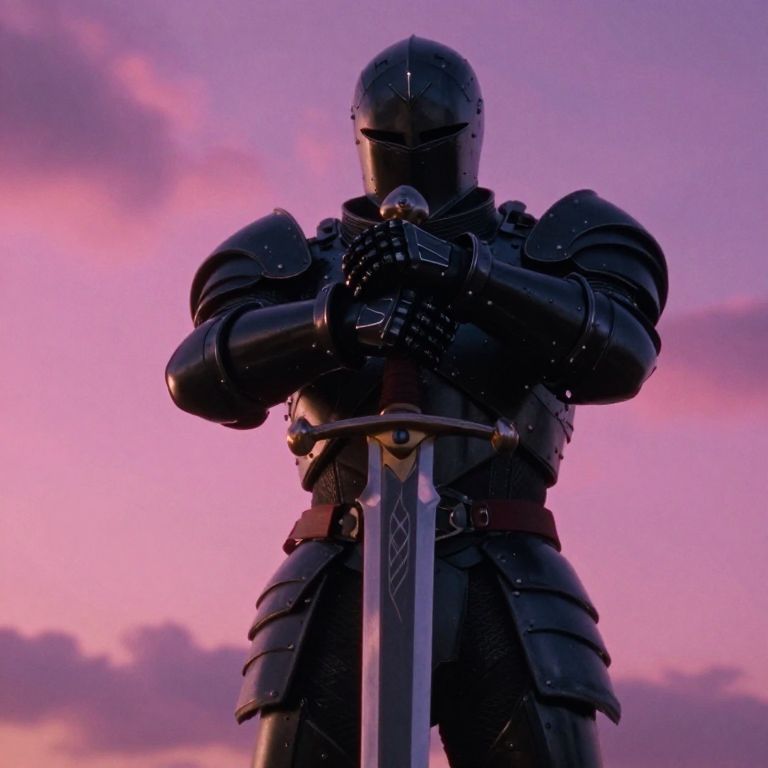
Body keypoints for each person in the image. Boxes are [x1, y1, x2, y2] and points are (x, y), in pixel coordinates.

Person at [166, 36, 667, 768]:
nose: (410, 154)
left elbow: (620, 353)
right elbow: (198, 373)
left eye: (430, 136)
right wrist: (338, 323)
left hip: (510, 580)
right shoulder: (298, 262)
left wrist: (466, 272)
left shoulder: (545, 250)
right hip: (335, 575)